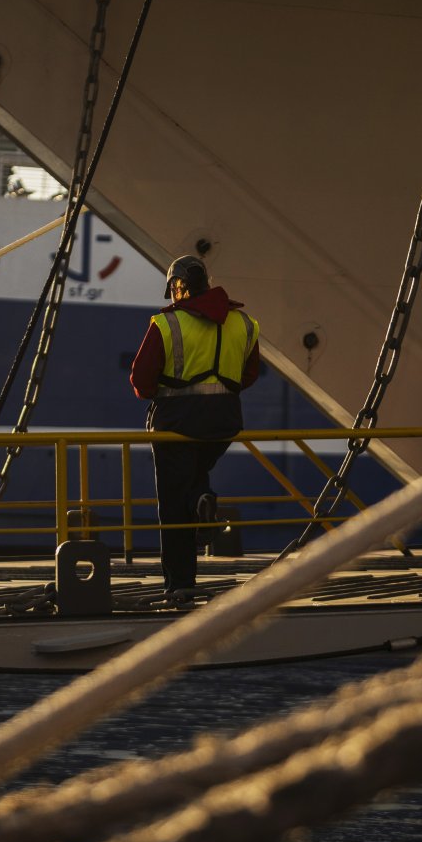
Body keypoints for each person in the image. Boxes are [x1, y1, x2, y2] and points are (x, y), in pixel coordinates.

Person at [128, 255, 262, 601]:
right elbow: (248, 375)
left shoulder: (167, 324)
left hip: (176, 425)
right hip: (224, 423)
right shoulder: (244, 323)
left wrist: (167, 391)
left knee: (173, 504)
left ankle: (180, 583)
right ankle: (203, 498)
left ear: (180, 286)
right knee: (193, 478)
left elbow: (141, 381)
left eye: (173, 289)